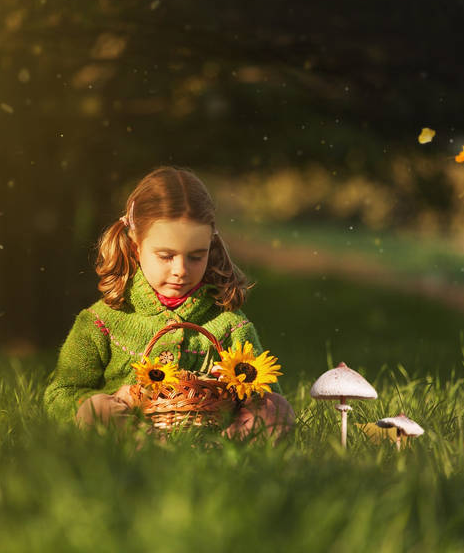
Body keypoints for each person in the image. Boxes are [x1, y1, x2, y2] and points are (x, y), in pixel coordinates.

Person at [43, 166, 295, 438]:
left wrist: (235, 394)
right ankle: (149, 444)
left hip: (216, 431)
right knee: (95, 409)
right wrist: (116, 397)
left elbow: (266, 395)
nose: (181, 269)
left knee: (277, 408)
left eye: (196, 256)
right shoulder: (101, 321)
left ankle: (220, 448)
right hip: (131, 431)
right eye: (166, 256)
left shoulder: (230, 325)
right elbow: (60, 395)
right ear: (135, 247)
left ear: (212, 245)